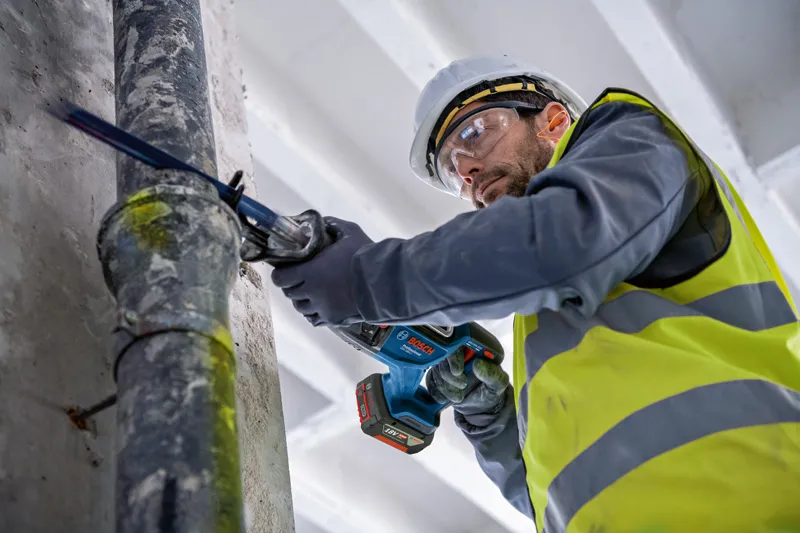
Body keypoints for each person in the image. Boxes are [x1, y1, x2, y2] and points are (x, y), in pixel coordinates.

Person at [272, 56, 800, 532]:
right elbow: (550, 497)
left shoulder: (631, 139)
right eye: (453, 168)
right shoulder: (547, 331)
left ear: (553, 121)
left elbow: (563, 244)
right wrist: (494, 417)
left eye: (476, 133)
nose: (468, 170)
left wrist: (366, 277)